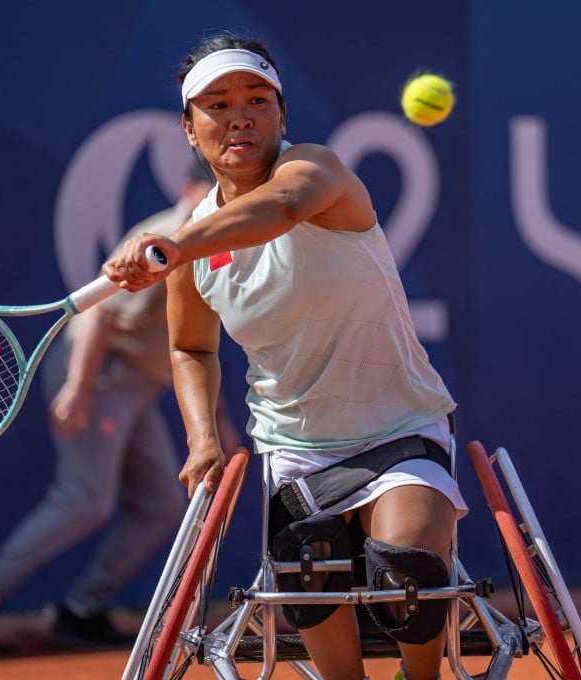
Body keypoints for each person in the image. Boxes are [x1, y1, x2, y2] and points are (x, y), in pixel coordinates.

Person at [103, 33, 467, 680]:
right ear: (189, 130)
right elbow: (190, 347)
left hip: (402, 429)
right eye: (216, 104)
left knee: (405, 561)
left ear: (281, 114)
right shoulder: (193, 250)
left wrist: (177, 244)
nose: (239, 114)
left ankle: (423, 677)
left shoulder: (315, 171)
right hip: (297, 450)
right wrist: (199, 439)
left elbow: (280, 207)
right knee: (303, 568)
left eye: (256, 99)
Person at [0, 165, 240, 657]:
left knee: (164, 501)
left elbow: (199, 340)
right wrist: (79, 388)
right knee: (85, 497)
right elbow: (99, 311)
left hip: (137, 385)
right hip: (101, 373)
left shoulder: (215, 248)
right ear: (189, 189)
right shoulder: (164, 238)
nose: (220, 197)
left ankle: (82, 610)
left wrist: (220, 422)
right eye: (211, 186)